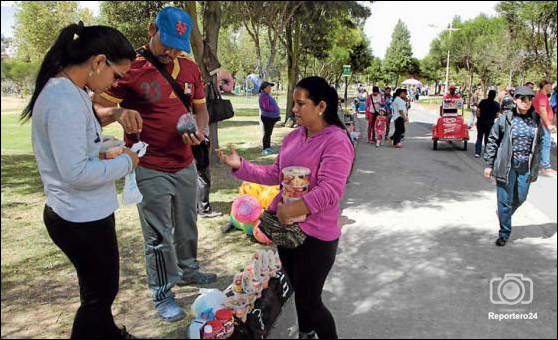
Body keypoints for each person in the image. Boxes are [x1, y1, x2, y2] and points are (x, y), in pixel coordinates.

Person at [94, 7, 216, 322]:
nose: (173, 50)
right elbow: (96, 108)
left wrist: (200, 130)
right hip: (148, 164)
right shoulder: (129, 67)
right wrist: (118, 114)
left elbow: (201, 110)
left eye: (179, 44)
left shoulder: (189, 68)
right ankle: (163, 294)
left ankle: (189, 270)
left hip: (184, 162)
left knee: (187, 223)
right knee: (159, 234)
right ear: (152, 30)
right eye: (168, 42)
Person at [21, 22, 140, 338]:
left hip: (87, 212)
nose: (114, 84)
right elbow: (74, 173)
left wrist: (107, 148)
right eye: (116, 76)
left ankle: (109, 333)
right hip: (79, 217)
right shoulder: (63, 101)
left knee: (97, 291)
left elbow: (80, 151)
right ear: (99, 61)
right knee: (100, 296)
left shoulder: (72, 92)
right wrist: (127, 162)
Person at [217, 76, 354, 339]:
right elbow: (274, 174)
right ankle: (305, 334)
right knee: (299, 292)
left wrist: (293, 209)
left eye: (300, 103)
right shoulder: (293, 137)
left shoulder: (336, 141)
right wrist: (240, 165)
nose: (293, 109)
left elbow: (330, 191)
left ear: (321, 106)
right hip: (286, 232)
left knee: (312, 301)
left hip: (316, 238)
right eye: (294, 103)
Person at [483, 86, 543, 247]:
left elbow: (540, 142)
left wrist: (541, 163)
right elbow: (493, 140)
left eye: (529, 99)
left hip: (526, 166)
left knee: (521, 197)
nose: (526, 102)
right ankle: (504, 232)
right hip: (506, 165)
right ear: (515, 100)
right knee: (504, 200)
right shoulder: (506, 118)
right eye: (522, 99)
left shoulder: (536, 119)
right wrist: (489, 163)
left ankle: (504, 214)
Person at [193, 129, 222, 218]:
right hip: (198, 142)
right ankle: (204, 210)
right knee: (203, 179)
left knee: (200, 177)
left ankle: (199, 207)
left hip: (199, 140)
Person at [533, 79, 556, 175]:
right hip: (543, 125)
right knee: (546, 144)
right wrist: (548, 124)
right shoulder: (542, 97)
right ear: (545, 85)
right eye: (550, 86)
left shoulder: (542, 96)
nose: (551, 88)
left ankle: (538, 165)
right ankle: (545, 166)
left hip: (542, 124)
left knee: (540, 145)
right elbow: (542, 111)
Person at [475, 90, 500, 158]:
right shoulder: (496, 104)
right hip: (490, 123)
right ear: (494, 96)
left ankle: (477, 152)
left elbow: (478, 111)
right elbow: (497, 115)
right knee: (487, 138)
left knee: (479, 137)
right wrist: (492, 118)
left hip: (481, 122)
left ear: (488, 94)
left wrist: (479, 119)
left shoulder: (483, 101)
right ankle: (486, 152)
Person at [259, 81, 281, 155]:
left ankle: (268, 147)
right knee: (267, 133)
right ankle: (266, 148)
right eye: (269, 87)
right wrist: (275, 108)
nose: (270, 88)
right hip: (267, 117)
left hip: (270, 117)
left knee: (268, 133)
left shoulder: (267, 95)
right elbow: (266, 106)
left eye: (270, 87)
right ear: (265, 88)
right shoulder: (264, 95)